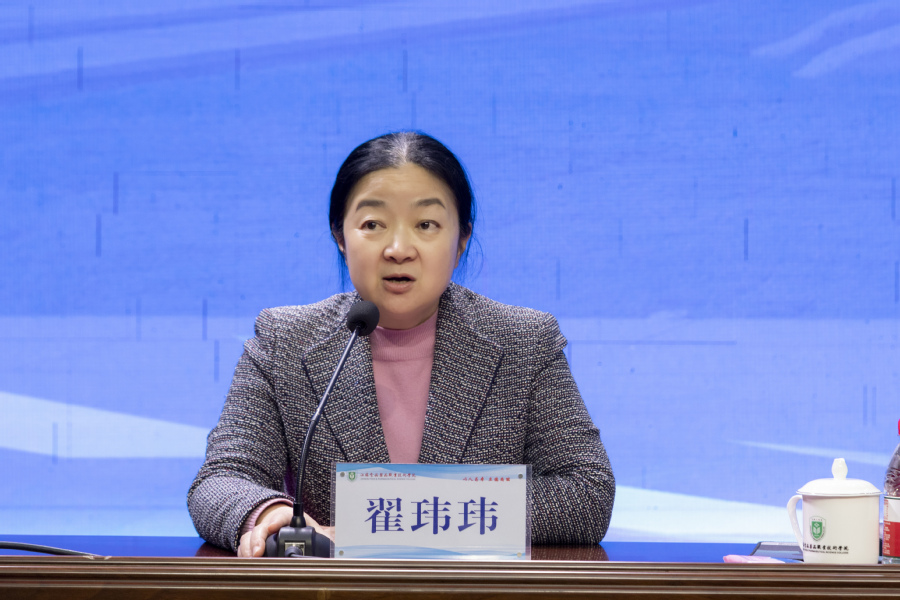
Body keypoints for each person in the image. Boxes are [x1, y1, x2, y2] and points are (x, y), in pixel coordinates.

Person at [187, 131, 615, 556]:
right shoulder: (285, 341)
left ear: (462, 239)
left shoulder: (524, 342)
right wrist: (269, 513)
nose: (398, 249)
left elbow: (587, 493)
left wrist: (387, 521)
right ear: (340, 236)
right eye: (373, 225)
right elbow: (221, 480)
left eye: (426, 225)